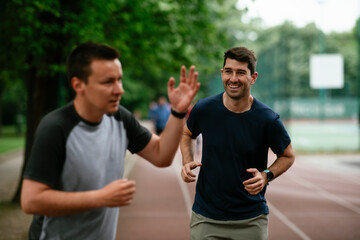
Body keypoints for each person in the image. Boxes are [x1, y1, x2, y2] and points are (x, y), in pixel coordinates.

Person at [21, 42, 200, 240]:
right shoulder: (56, 128)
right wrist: (100, 197)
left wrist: (177, 112)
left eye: (119, 80)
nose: (119, 89)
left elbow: (161, 156)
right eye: (108, 82)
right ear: (78, 85)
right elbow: (31, 200)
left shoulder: (120, 118)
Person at [180, 46, 295, 240]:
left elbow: (288, 155)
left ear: (253, 77)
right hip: (206, 217)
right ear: (222, 73)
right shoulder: (204, 109)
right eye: (228, 71)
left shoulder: (267, 119)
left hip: (251, 219)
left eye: (241, 72)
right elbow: (187, 134)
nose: (233, 78)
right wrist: (187, 160)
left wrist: (266, 175)